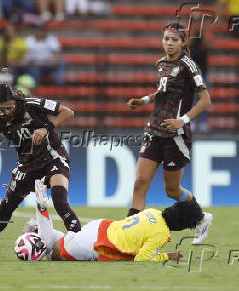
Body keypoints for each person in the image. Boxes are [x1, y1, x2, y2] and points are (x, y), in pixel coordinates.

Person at [0, 83, 81, 260]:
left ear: (14, 99)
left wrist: (46, 127)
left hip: (52, 158)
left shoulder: (32, 104)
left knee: (59, 200)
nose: (6, 111)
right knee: (3, 212)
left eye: (9, 106)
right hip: (27, 166)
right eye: (1, 108)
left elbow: (68, 112)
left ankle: (80, 240)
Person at [125, 23, 212, 244]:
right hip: (154, 130)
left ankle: (201, 218)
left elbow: (205, 100)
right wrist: (144, 100)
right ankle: (130, 235)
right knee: (139, 183)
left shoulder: (188, 65)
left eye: (174, 40)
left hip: (176, 136)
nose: (169, 43)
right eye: (166, 39)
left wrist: (182, 120)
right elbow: (162, 91)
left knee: (172, 190)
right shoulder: (161, 63)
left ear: (183, 42)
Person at [29, 180, 208, 262]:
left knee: (61, 240)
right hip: (100, 243)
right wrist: (167, 256)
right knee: (53, 254)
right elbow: (142, 258)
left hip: (101, 226)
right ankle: (39, 216)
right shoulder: (162, 234)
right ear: (182, 225)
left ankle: (37, 224)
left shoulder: (153, 212)